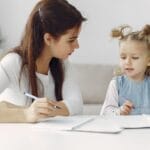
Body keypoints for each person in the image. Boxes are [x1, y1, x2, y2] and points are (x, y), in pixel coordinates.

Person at [0, 0, 86, 122]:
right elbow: (70, 106)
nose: (77, 46)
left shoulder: (63, 64)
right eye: (71, 40)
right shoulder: (13, 62)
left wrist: (42, 110)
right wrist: (26, 114)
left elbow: (76, 104)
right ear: (48, 39)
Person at [100, 24, 150, 116]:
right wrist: (119, 111)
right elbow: (104, 113)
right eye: (123, 57)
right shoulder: (116, 84)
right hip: (123, 129)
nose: (127, 62)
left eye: (134, 57)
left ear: (148, 61)